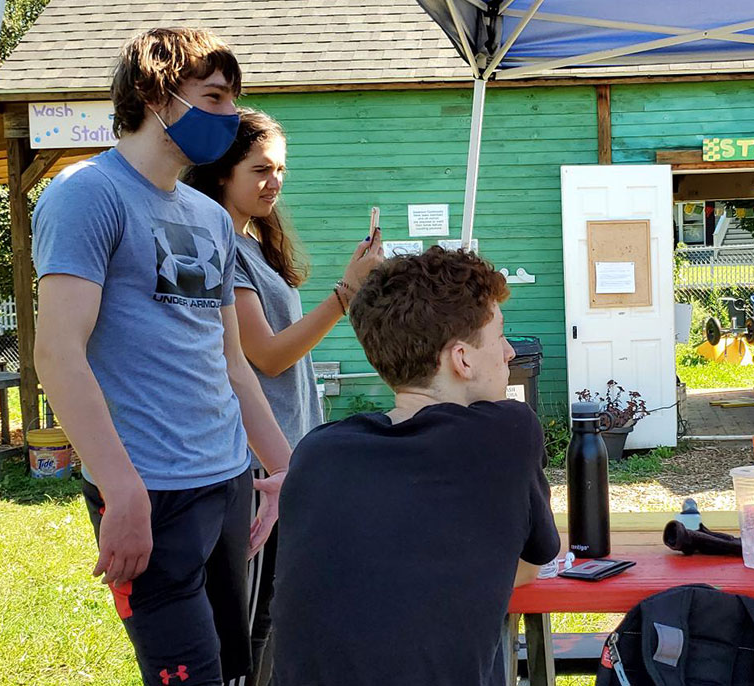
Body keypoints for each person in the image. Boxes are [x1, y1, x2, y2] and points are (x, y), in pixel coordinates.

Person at [33, 29, 292, 686]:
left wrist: (287, 468)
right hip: (149, 494)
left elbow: (233, 362)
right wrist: (120, 490)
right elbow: (58, 354)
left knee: (238, 673)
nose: (228, 117)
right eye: (213, 97)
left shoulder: (207, 216)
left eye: (233, 101)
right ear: (154, 95)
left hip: (226, 484)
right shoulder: (85, 194)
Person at [271, 247, 561, 686]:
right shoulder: (509, 432)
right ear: (462, 359)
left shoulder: (316, 453)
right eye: (500, 336)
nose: (508, 353)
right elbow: (529, 565)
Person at [182, 108, 384, 685]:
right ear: (222, 172)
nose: (275, 182)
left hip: (285, 451)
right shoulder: (225, 248)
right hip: (254, 460)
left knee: (279, 610)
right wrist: (347, 292)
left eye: (281, 170)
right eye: (260, 169)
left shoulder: (254, 243)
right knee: (255, 619)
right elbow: (265, 354)